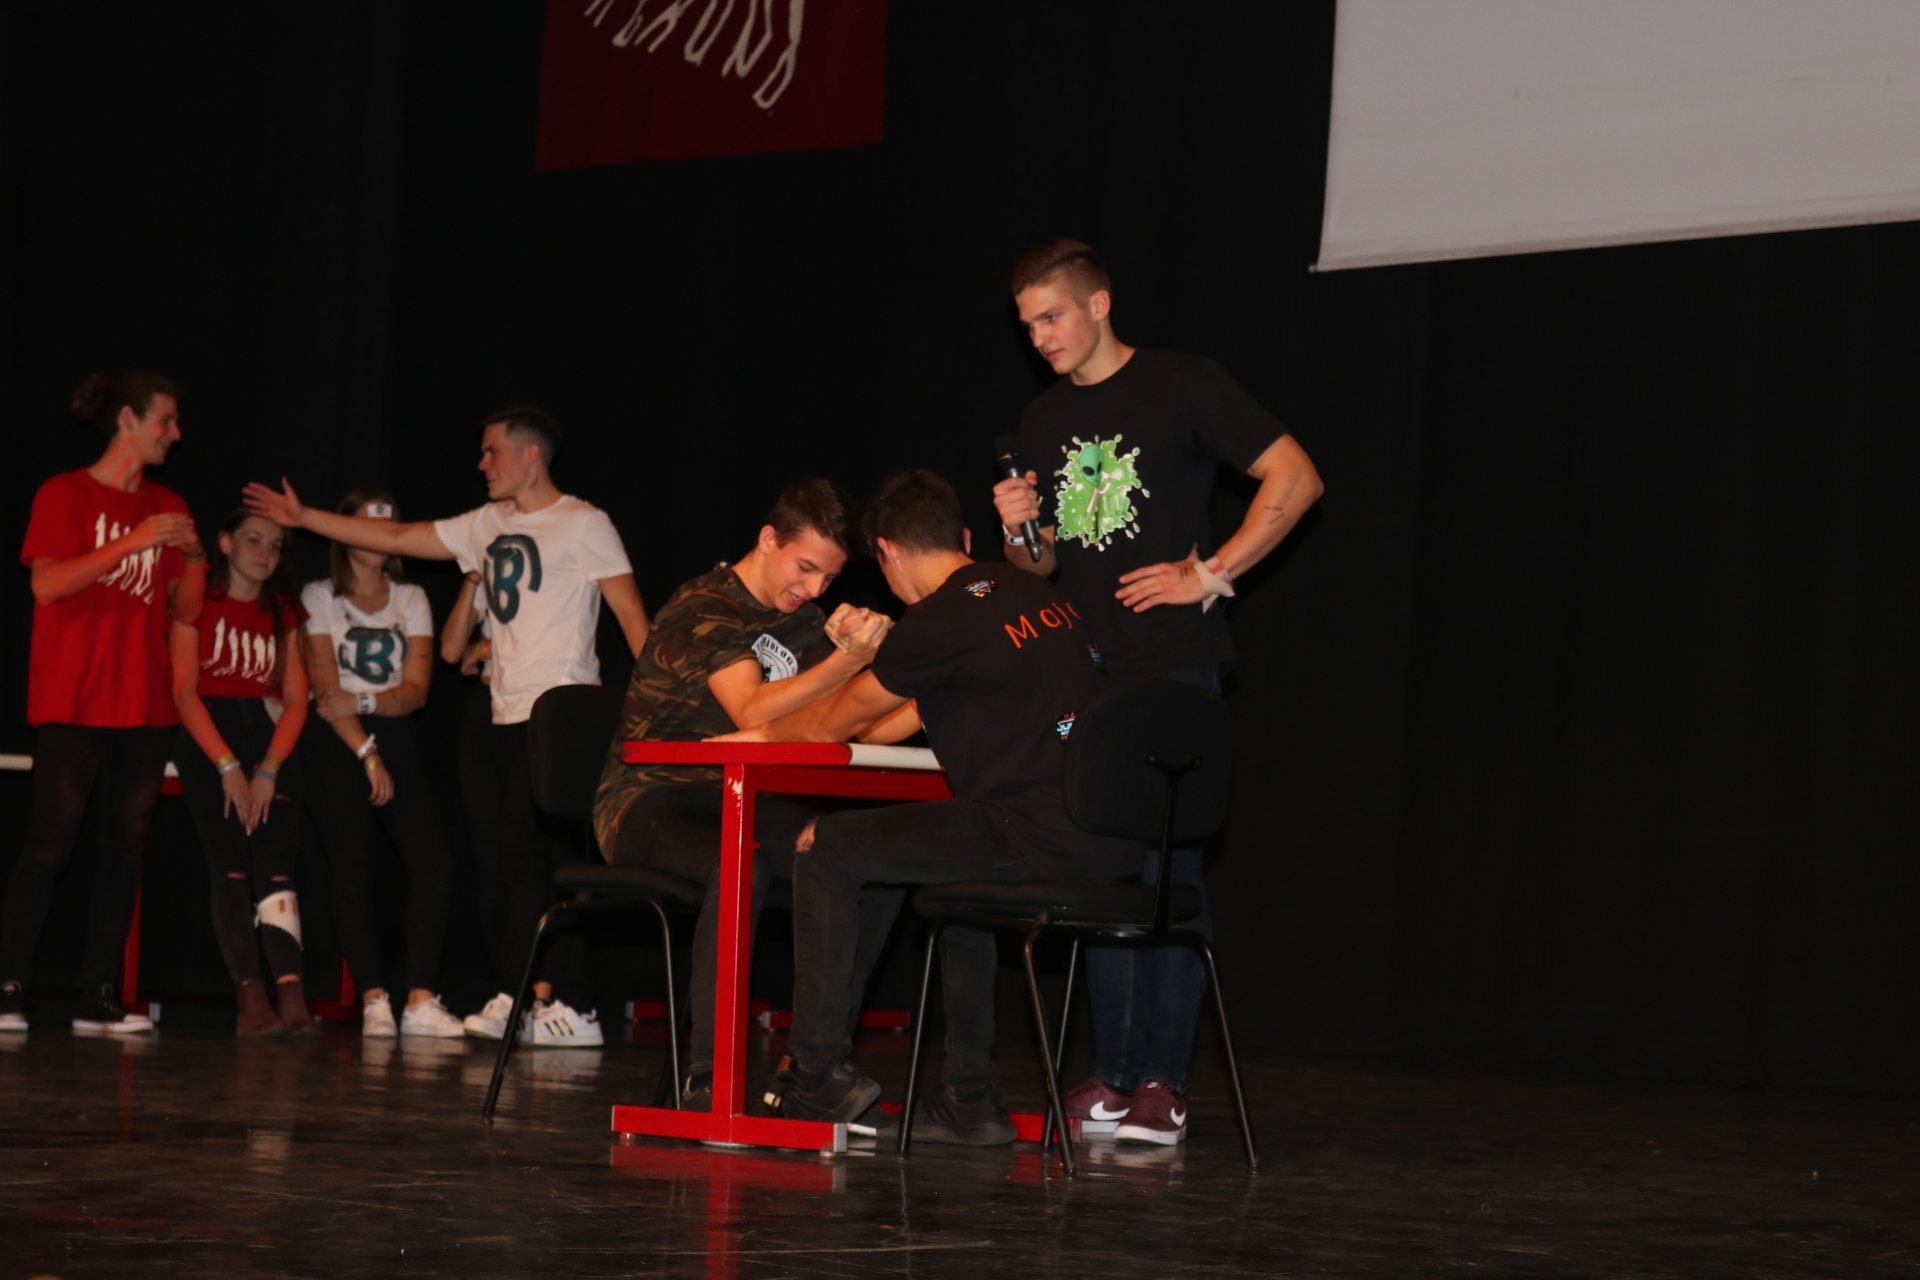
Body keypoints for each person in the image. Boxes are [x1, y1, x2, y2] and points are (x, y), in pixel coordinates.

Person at [991, 238, 1324, 1144]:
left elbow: (1297, 477)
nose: (1040, 337)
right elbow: (1041, 566)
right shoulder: (1042, 418)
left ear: (1099, 303)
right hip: (1087, 675)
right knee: (1101, 869)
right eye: (1027, 326)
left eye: (1052, 316)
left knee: (1170, 871)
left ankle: (1162, 1083)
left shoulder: (1182, 383)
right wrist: (1019, 534)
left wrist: (1209, 573)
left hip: (1173, 665)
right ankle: (1114, 1074)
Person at [716, 468, 1138, 1143]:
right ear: (963, 538)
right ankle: (970, 1100)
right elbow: (904, 717)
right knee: (952, 880)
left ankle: (813, 1080)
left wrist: (757, 737)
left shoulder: (938, 620)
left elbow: (830, 725)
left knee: (824, 846)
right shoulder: (1036, 591)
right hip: (1112, 836)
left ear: (887, 552)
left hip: (1029, 830)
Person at [245, 405, 649, 1047]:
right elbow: (400, 536)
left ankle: (525, 997)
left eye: (493, 452)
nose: (482, 463)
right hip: (502, 715)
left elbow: (629, 613)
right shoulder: (485, 523)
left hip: (559, 713)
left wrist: (653, 707)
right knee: (505, 862)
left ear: (531, 456)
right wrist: (306, 517)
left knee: (529, 860)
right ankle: (536, 1001)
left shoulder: (583, 522)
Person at [592, 478, 896, 1109]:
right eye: (805, 567)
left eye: (828, 578)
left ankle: (812, 1069)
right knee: (739, 865)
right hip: (650, 798)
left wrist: (910, 676)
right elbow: (750, 710)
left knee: (869, 861)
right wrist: (845, 662)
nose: (813, 589)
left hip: (746, 798)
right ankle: (707, 1076)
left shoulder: (805, 622)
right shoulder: (705, 604)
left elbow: (860, 724)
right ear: (768, 539)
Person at [1, 371, 205, 1036]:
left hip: (144, 703)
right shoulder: (63, 493)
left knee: (126, 849)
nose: (175, 434)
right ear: (127, 419)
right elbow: (48, 584)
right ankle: (8, 985)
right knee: (50, 846)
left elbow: (185, 611)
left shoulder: (169, 503)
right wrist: (132, 541)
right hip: (74, 697)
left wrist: (194, 556)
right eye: (165, 420)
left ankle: (97, 994)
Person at [300, 487, 464, 1038]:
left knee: (432, 861)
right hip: (337, 740)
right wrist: (367, 752)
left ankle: (420, 998)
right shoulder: (319, 595)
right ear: (344, 531)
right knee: (351, 864)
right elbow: (327, 694)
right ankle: (374, 997)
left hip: (393, 731)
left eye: (387, 525)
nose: (378, 536)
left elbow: (416, 691)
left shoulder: (411, 597)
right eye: (367, 524)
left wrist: (368, 703)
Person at [171, 509, 313, 1035]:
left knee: (276, 871)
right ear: (226, 543)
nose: (265, 553)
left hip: (270, 742)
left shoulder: (284, 608)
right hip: (212, 739)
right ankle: (251, 1000)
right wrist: (227, 765)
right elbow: (184, 693)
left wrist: (269, 769)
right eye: (254, 540)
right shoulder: (198, 602)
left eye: (275, 546)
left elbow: (296, 700)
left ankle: (292, 995)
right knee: (230, 870)